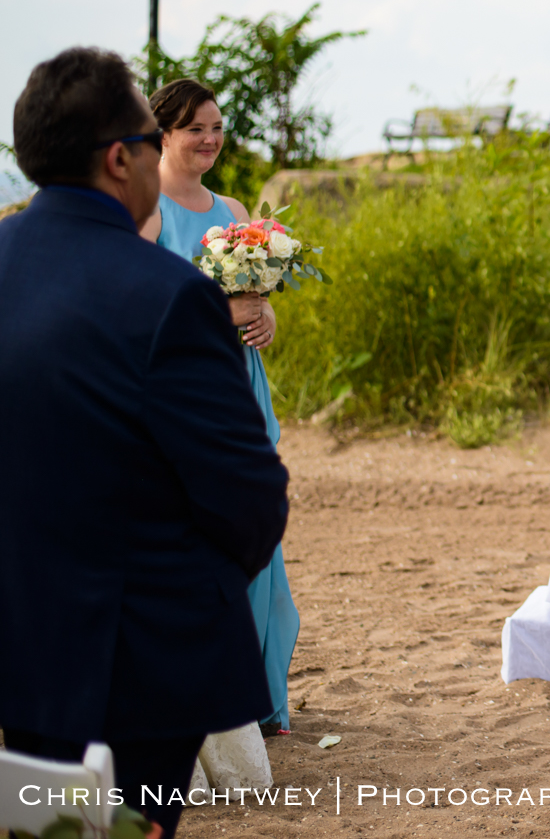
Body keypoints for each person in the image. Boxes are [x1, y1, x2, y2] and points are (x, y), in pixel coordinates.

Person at [0, 48, 289, 839]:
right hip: (137, 662)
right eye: (151, 135)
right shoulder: (169, 295)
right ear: (121, 156)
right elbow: (251, 503)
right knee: (130, 829)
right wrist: (191, 592)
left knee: (45, 826)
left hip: (18, 644)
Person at [141, 78, 301, 734]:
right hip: (184, 390)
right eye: (194, 128)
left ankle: (259, 698)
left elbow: (253, 301)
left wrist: (263, 317)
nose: (209, 139)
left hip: (240, 382)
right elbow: (141, 311)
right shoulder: (146, 210)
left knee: (255, 527)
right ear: (164, 133)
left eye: (216, 127)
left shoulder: (233, 208)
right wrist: (222, 312)